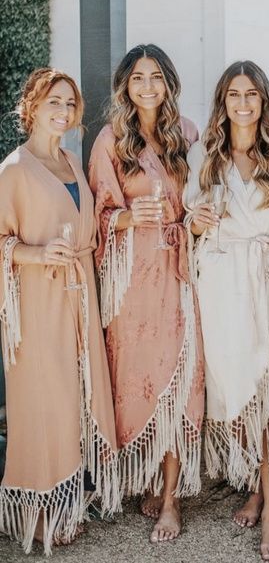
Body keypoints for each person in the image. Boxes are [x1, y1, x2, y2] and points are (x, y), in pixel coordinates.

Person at [184, 60, 269, 561]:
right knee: (241, 392)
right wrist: (195, 220)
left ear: (263, 100)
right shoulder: (203, 155)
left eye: (252, 94)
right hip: (220, 282)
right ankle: (258, 486)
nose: (243, 103)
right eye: (234, 94)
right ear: (223, 101)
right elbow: (190, 217)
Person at [0, 68, 119, 555]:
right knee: (42, 404)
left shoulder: (73, 160)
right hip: (37, 302)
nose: (64, 110)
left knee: (75, 399)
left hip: (79, 297)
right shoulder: (13, 169)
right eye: (54, 101)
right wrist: (33, 254)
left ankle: (68, 502)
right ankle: (36, 509)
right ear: (31, 106)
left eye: (70, 102)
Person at [88, 44, 204, 543]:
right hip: (133, 277)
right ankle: (147, 473)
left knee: (181, 379)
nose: (148, 86)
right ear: (125, 86)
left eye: (157, 76)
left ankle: (173, 498)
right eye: (139, 78)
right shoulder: (111, 140)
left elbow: (207, 191)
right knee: (137, 380)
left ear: (169, 82)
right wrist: (128, 216)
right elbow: (96, 212)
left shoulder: (189, 134)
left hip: (181, 270)